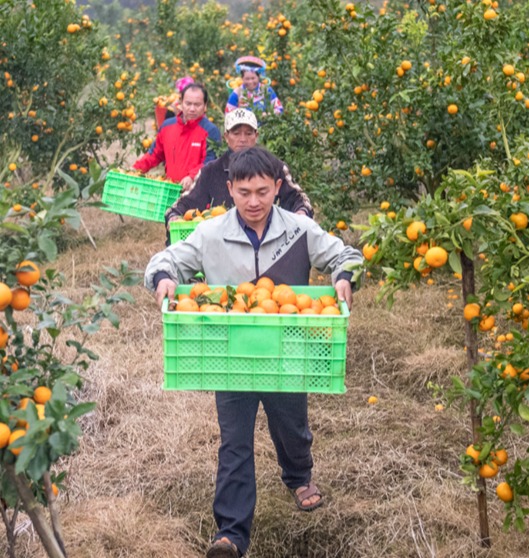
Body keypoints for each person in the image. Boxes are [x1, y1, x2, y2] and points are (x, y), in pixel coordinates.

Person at [145, 147, 363, 558]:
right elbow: (169, 259)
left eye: (263, 191)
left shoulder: (299, 229)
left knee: (291, 422)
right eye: (244, 192)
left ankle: (298, 476)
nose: (254, 201)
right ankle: (231, 534)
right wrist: (162, 277)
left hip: (288, 350)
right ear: (229, 189)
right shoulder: (211, 233)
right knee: (234, 442)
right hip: (232, 354)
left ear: (278, 188)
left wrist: (344, 275)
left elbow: (345, 253)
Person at [166, 108, 311, 228]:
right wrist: (174, 216)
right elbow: (186, 203)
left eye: (248, 133)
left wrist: (301, 212)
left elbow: (297, 198)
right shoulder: (210, 171)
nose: (243, 139)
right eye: (236, 134)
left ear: (256, 136)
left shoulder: (274, 166)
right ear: (226, 137)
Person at [133, 83, 221, 188]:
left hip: (197, 192)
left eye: (197, 104)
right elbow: (155, 154)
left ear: (205, 105)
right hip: (170, 189)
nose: (192, 109)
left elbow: (210, 162)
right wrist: (135, 169)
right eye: (188, 104)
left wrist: (192, 177)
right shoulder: (167, 126)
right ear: (180, 103)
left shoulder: (210, 131)